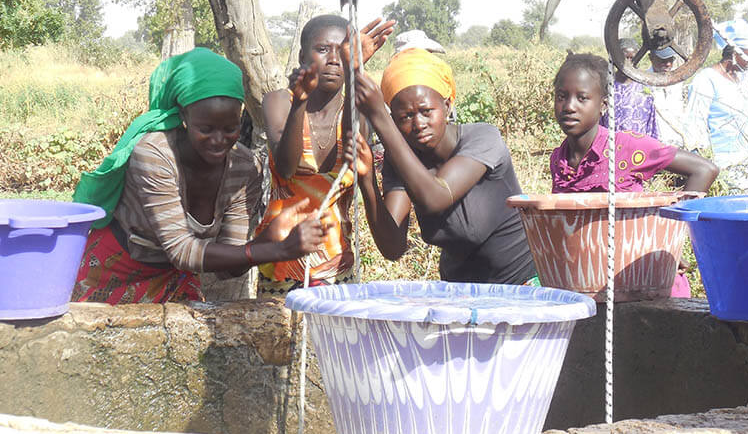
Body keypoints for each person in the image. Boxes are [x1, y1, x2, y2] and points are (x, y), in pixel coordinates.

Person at [71, 48, 329, 305]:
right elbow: (181, 251)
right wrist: (278, 250)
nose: (219, 140)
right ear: (184, 116)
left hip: (175, 279)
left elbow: (228, 268)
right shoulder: (154, 155)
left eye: (231, 129)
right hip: (113, 271)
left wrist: (269, 237)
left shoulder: (243, 167)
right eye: (205, 129)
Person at [348, 48, 537, 285]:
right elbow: (393, 248)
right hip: (458, 289)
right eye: (405, 117)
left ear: (447, 106)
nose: (418, 124)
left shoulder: (482, 138)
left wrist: (380, 118)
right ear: (394, 118)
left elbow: (435, 196)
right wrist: (367, 182)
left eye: (426, 112)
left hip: (519, 284)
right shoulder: (401, 161)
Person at [550, 52, 719, 298]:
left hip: (645, 284)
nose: (569, 107)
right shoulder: (559, 160)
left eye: (582, 98)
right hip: (595, 285)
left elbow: (704, 169)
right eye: (562, 97)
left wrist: (670, 239)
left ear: (603, 105)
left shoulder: (624, 147)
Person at [257, 15, 394, 296]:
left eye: (342, 51)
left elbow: (349, 159)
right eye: (322, 50)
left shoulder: (357, 110)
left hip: (339, 270)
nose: (333, 60)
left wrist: (355, 72)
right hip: (282, 270)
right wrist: (300, 103)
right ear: (301, 56)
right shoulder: (279, 101)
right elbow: (285, 167)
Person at [684, 20, 748, 192]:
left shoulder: (743, 78)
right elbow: (694, 123)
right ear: (735, 54)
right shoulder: (706, 80)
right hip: (726, 167)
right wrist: (701, 163)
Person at [600, 38, 659, 139]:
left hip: (639, 149)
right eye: (625, 58)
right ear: (615, 58)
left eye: (632, 58)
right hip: (612, 148)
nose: (628, 63)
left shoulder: (644, 89)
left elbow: (651, 124)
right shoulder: (606, 87)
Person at [649, 46, 685, 147]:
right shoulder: (642, 83)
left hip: (678, 142)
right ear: (651, 58)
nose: (668, 64)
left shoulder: (679, 81)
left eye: (671, 60)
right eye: (663, 60)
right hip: (654, 144)